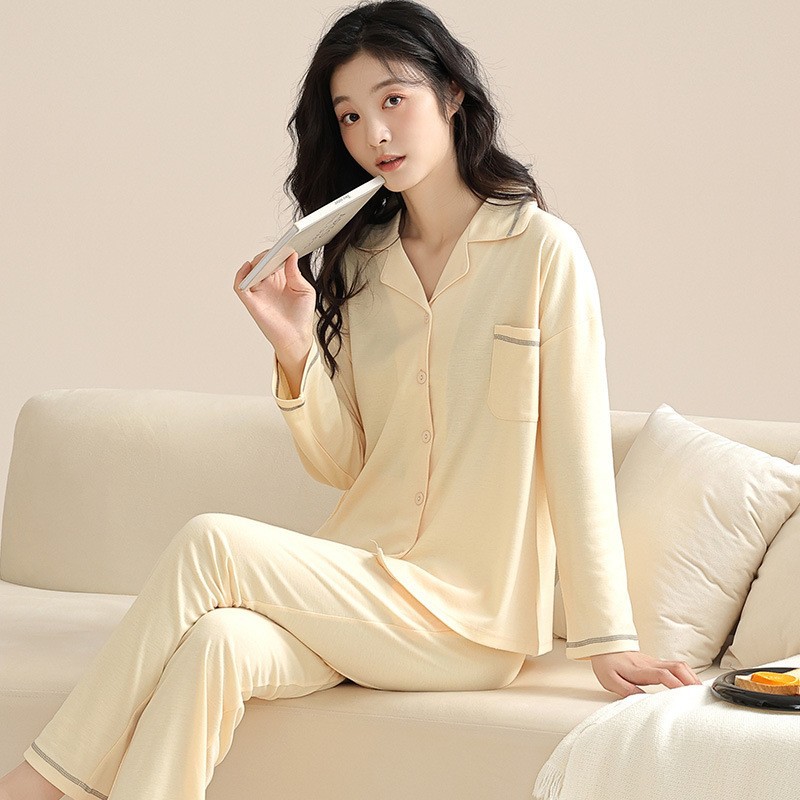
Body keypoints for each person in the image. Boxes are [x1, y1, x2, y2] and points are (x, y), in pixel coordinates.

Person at [0, 2, 702, 799]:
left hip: (467, 618)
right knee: (218, 644)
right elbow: (348, 463)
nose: (375, 133)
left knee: (211, 542)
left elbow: (575, 455)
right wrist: (295, 346)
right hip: (362, 578)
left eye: (393, 99)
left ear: (452, 95)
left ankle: (36, 785)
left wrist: (607, 641)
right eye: (350, 116)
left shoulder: (542, 252)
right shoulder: (365, 261)